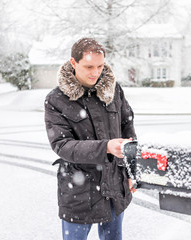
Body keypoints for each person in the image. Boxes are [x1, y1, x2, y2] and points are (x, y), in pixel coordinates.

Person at [44, 37, 137, 240]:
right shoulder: (56, 99)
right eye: (89, 66)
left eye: (100, 66)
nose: (95, 72)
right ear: (73, 63)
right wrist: (105, 147)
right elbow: (62, 145)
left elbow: (127, 126)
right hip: (78, 191)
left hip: (114, 184)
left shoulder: (114, 91)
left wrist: (132, 170)